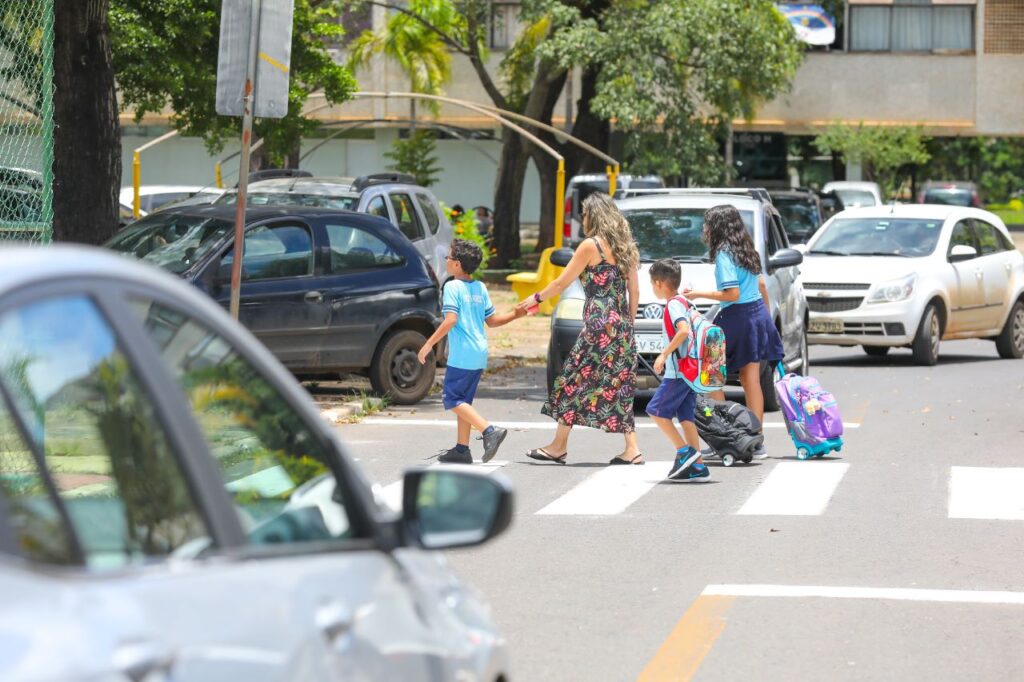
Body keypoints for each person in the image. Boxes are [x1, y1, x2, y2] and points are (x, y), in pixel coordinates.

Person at [515, 193, 642, 465]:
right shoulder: (627, 247)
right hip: (621, 326)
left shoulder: (590, 246)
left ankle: (558, 446)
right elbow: (634, 291)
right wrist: (628, 326)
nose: (582, 220)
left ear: (593, 216)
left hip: (597, 324)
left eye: (584, 215)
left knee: (572, 380)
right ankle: (632, 448)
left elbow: (561, 283)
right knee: (619, 385)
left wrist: (535, 298)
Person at [683, 205, 785, 459]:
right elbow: (761, 284)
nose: (704, 229)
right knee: (751, 381)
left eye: (707, 224)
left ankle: (726, 436)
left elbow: (731, 294)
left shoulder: (723, 254)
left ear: (717, 227)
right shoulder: (746, 249)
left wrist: (696, 294)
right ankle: (756, 441)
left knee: (711, 377)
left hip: (735, 318)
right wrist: (764, 318)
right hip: (756, 315)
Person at [418, 239, 525, 464]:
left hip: (463, 354)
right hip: (479, 353)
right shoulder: (480, 287)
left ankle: (489, 431)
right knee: (464, 401)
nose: (446, 260)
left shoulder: (451, 286)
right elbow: (493, 321)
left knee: (453, 399)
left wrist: (429, 344)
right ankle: (462, 449)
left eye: (448, 257)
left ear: (457, 264)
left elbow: (450, 320)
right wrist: (515, 314)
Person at [648, 259, 710, 480]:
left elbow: (683, 331)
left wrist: (664, 354)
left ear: (658, 283)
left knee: (655, 411)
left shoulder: (673, 304)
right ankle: (699, 466)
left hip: (679, 371)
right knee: (686, 417)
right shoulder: (685, 301)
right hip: (691, 371)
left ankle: (685, 453)